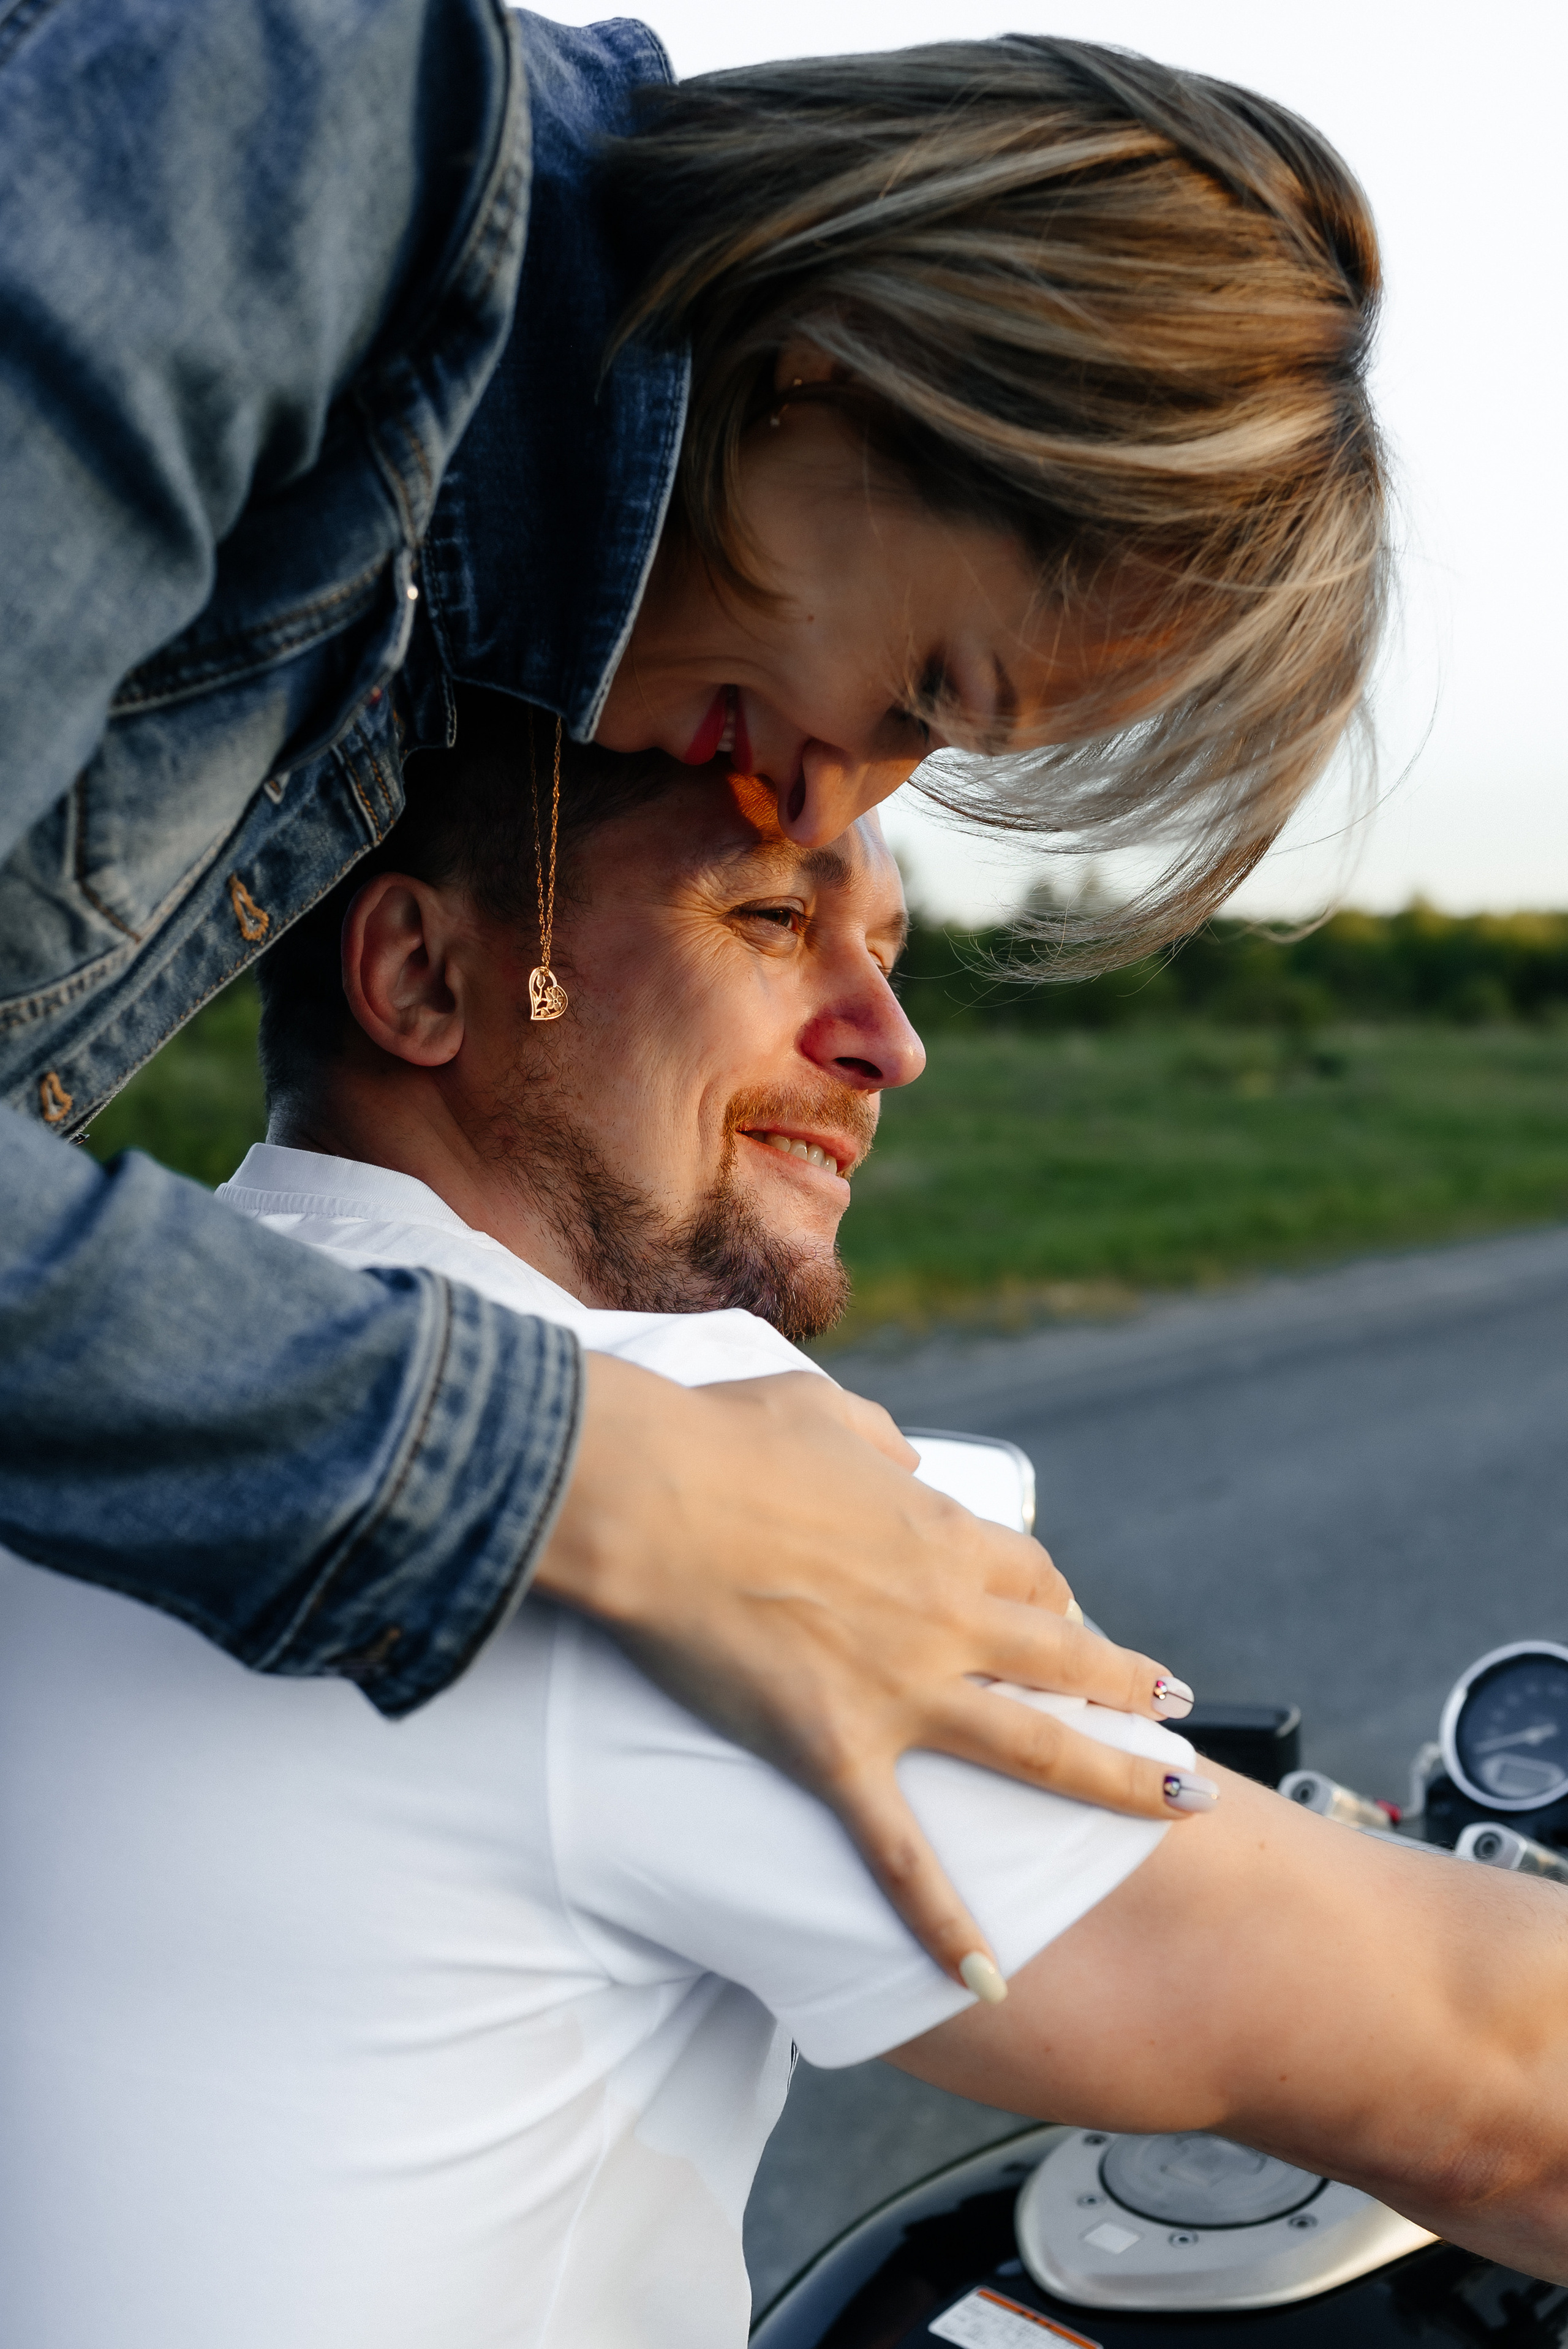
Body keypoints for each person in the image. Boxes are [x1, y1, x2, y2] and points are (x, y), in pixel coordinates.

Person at [0, 6, 1389, 1980]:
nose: (828, 796)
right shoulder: (312, 115)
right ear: (836, 364)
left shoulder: (438, 624)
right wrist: (604, 1478)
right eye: (926, 688)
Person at [2, 711, 1562, 2349]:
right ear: (421, 976)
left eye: (885, 952)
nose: (890, 1040)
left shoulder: (102, 1384)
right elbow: (1498, 2080)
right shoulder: (647, 1456)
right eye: (767, 917)